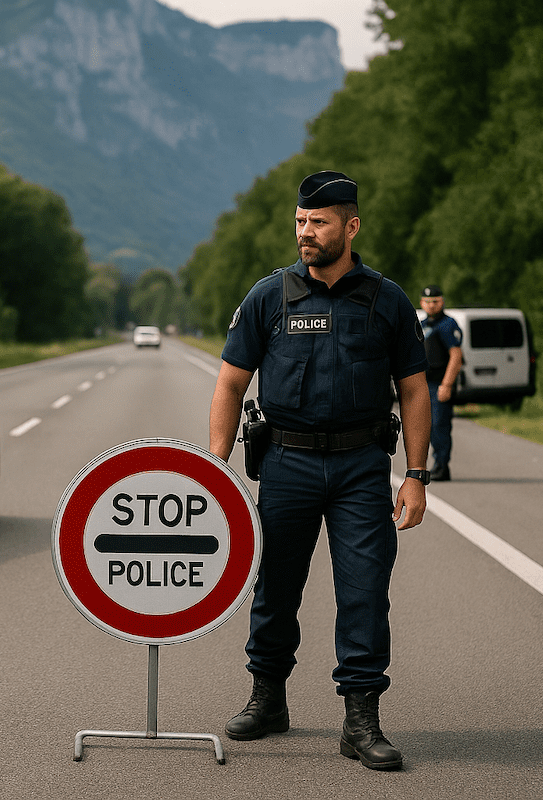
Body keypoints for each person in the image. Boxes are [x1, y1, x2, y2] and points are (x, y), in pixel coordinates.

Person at [208, 170, 432, 771]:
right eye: (301, 222)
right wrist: (215, 469)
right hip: (286, 464)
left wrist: (416, 474)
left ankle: (361, 719)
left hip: (362, 467)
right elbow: (230, 384)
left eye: (319, 223)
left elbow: (414, 390)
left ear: (351, 227)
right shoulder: (269, 297)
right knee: (275, 586)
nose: (306, 232)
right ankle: (267, 698)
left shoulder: (387, 300)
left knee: (365, 591)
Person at [419, 285, 463, 481]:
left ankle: (442, 466)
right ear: (422, 303)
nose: (431, 305)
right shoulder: (421, 325)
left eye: (435, 301)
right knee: (426, 427)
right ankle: (432, 464)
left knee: (439, 426)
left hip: (439, 384)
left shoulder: (447, 324)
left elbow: (456, 356)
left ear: (442, 302)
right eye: (427, 302)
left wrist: (447, 385)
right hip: (423, 384)